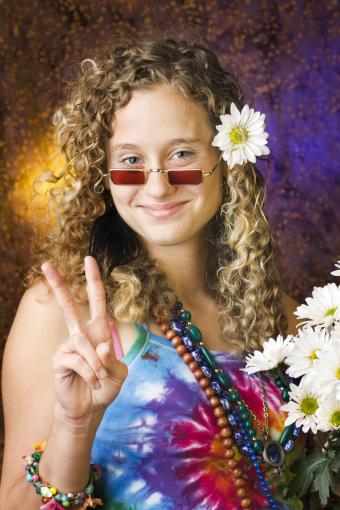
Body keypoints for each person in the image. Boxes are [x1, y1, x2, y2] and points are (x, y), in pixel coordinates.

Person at [0, 38, 302, 510]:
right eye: (131, 161)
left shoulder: (284, 319)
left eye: (182, 154)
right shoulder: (61, 316)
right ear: (102, 172)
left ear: (225, 159)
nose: (157, 186)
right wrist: (75, 426)